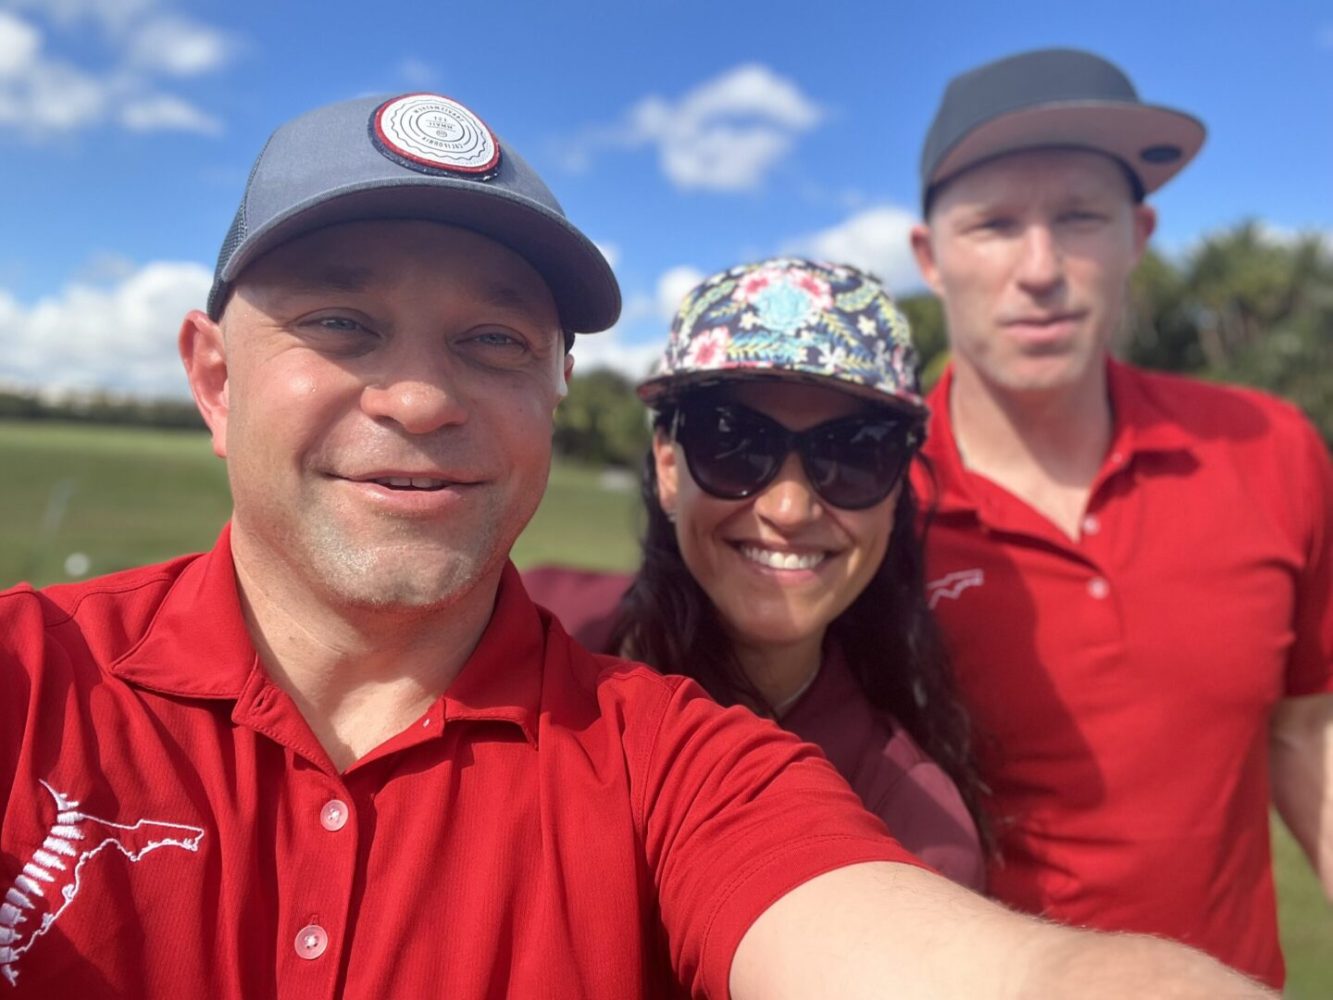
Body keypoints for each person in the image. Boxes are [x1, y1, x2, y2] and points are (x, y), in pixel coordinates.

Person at [0, 91, 1275, 1000]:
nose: (420, 399)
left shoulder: (691, 759)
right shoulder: (32, 674)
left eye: (848, 454)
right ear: (213, 379)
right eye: (342, 322)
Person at [907, 47, 1333, 989]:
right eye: (994, 225)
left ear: (1137, 235)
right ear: (929, 258)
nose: (1041, 268)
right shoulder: (863, 505)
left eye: (1080, 218)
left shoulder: (1271, 449)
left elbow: (1306, 731)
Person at [528, 257, 987, 889]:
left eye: (854, 454)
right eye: (733, 443)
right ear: (667, 465)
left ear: (895, 496)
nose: (789, 509)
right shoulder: (526, 630)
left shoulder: (914, 834)